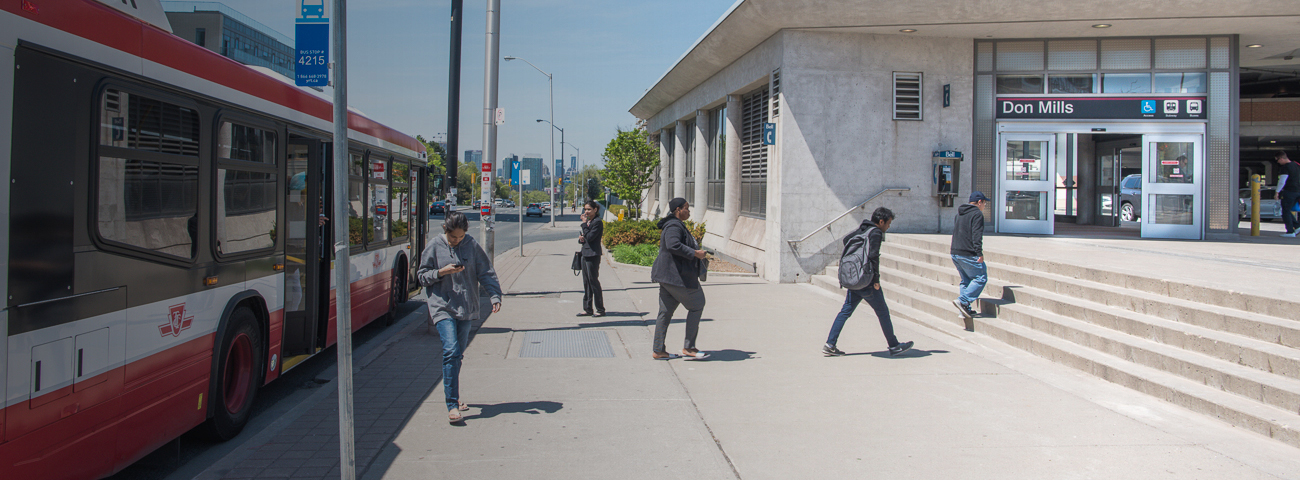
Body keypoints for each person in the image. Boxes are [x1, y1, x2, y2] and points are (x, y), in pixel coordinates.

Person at [416, 211, 503, 424]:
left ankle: (454, 394)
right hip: (442, 305)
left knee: (457, 355)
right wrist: (441, 272)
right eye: (453, 237)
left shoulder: (471, 245)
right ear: (445, 231)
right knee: (451, 350)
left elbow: (486, 272)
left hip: (465, 305)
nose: (456, 241)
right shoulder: (435, 246)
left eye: (460, 237)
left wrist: (494, 295)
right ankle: (452, 405)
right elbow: (421, 276)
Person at [823, 207, 914, 357]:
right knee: (883, 313)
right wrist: (876, 280)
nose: (888, 227)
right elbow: (873, 257)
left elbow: (846, 240)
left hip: (855, 280)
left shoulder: (863, 229)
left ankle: (830, 344)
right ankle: (894, 345)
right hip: (868, 282)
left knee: (845, 312)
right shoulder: (876, 232)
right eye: (888, 223)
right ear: (881, 221)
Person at [650, 198, 710, 360]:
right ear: (678, 209)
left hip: (668, 277)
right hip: (677, 277)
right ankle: (689, 347)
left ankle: (658, 350)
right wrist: (695, 253)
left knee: (665, 312)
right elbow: (673, 245)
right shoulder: (674, 226)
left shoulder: (674, 224)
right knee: (697, 305)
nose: (688, 212)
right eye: (686, 208)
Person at [951, 191, 989, 321]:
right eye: (984, 203)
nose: (984, 206)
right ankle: (963, 301)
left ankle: (964, 310)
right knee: (980, 277)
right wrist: (979, 253)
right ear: (979, 202)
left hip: (955, 252)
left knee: (966, 280)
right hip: (968, 253)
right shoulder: (977, 214)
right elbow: (976, 235)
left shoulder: (959, 213)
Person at [577, 200, 606, 317]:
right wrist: (581, 238)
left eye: (589, 209)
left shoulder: (597, 222)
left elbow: (591, 236)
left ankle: (600, 309)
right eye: (585, 209)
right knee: (586, 282)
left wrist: (584, 224)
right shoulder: (589, 222)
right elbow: (585, 237)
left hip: (593, 255)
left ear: (595, 209)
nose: (586, 212)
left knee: (593, 281)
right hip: (585, 253)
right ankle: (588, 308)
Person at [1275, 152, 1300, 237]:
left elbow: (1282, 181)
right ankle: (1296, 226)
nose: (1278, 162)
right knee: (1288, 210)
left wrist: (1277, 192)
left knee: (1285, 211)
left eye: (1277, 160)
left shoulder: (1285, 168)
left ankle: (1290, 232)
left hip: (1289, 191)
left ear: (1281, 158)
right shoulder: (1296, 165)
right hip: (1298, 191)